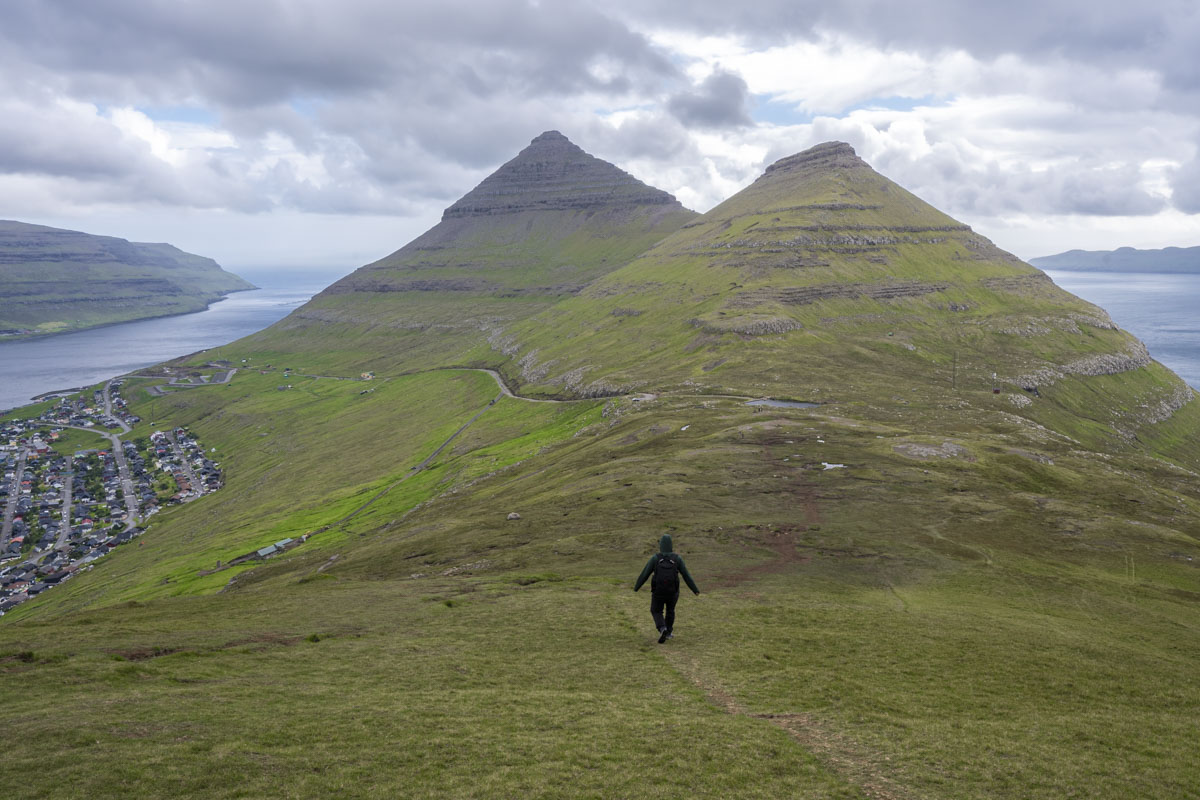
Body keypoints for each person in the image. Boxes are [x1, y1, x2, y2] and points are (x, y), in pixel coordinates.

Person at [633, 534, 700, 643]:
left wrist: (637, 587)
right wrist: (695, 589)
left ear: (661, 545)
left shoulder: (655, 558)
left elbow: (645, 573)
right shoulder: (677, 558)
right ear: (671, 545)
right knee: (670, 610)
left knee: (656, 610)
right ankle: (668, 632)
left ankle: (662, 628)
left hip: (658, 591)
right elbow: (686, 575)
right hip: (673, 592)